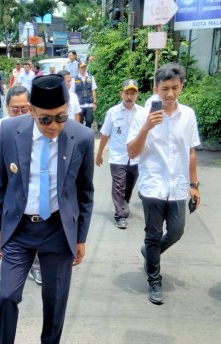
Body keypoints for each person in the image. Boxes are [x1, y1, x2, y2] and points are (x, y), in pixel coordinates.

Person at [0, 74, 95, 344]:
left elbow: (85, 192)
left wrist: (81, 237)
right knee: (7, 295)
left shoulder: (82, 137)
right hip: (18, 229)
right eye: (46, 119)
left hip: (58, 230)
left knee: (55, 298)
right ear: (31, 110)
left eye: (61, 117)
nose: (54, 126)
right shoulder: (8, 132)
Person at [127, 63, 201, 305]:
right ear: (156, 88)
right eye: (165, 88)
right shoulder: (142, 114)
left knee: (177, 230)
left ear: (181, 87)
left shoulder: (188, 114)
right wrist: (147, 126)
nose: (170, 94)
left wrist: (194, 184)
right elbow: (132, 151)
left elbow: (190, 152)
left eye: (175, 88)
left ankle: (150, 253)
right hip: (153, 184)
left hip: (178, 186)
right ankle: (154, 280)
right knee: (153, 233)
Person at [0, 86, 42, 285]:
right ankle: (16, 262)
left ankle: (36, 265)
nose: (20, 113)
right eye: (15, 109)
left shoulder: (38, 127)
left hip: (33, 188)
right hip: (8, 186)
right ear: (6, 108)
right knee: (11, 226)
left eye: (24, 108)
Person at [96, 79, 141, 230]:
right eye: (126, 93)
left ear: (137, 94)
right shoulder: (113, 112)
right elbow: (105, 134)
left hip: (136, 157)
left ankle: (123, 204)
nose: (129, 96)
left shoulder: (142, 113)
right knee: (119, 185)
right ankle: (120, 215)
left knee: (129, 185)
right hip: (117, 156)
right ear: (121, 93)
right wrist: (99, 153)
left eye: (132, 93)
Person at [75, 61, 97, 129]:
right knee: (79, 122)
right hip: (79, 105)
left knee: (89, 121)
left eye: (84, 67)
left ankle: (87, 135)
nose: (83, 69)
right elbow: (72, 93)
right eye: (81, 67)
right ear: (78, 69)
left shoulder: (90, 77)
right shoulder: (75, 79)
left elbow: (93, 91)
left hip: (89, 104)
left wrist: (94, 103)